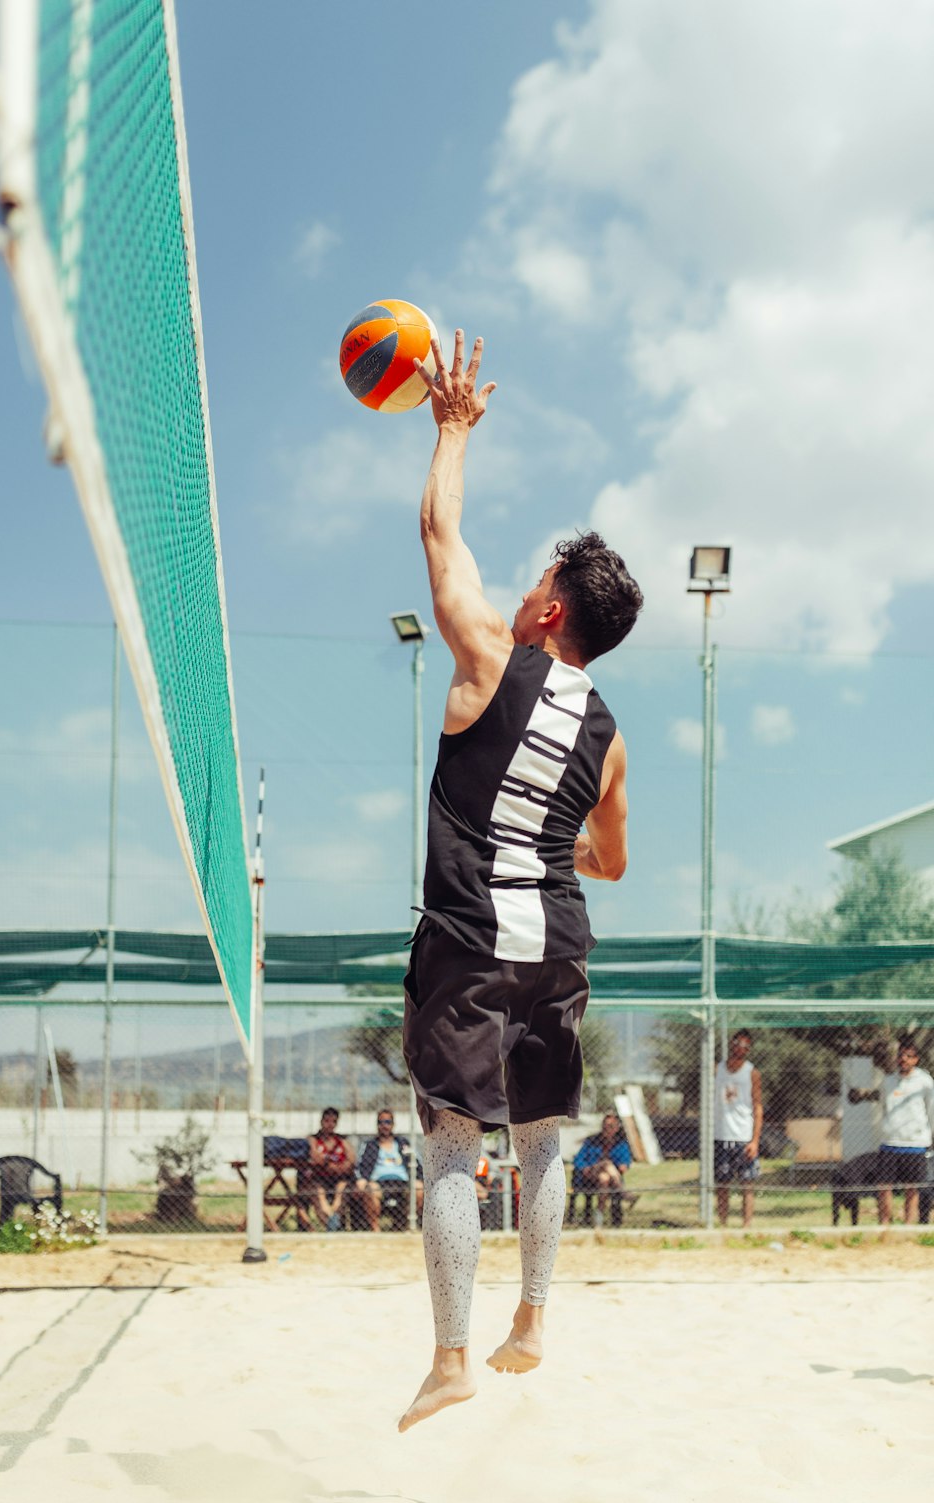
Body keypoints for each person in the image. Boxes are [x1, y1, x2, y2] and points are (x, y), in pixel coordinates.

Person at [397, 331, 643, 1432]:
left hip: (468, 936)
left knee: (454, 1136)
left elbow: (436, 530)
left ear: (549, 611)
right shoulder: (610, 735)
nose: (526, 583)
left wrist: (450, 428)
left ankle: (450, 1355)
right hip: (557, 935)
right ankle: (531, 1322)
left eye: (539, 576)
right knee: (541, 1132)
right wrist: (551, 840)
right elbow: (613, 859)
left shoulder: (492, 652)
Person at [856, 1039, 934, 1226]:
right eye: (901, 1055)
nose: (903, 1059)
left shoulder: (925, 1082)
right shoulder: (889, 1081)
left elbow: (931, 1110)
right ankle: (884, 1226)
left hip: (915, 1144)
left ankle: (908, 1227)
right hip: (890, 1143)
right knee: (884, 1187)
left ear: (916, 1060)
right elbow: (884, 1107)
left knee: (912, 1188)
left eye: (908, 1056)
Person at [713, 1030, 763, 1229]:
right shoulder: (717, 1070)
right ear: (731, 1044)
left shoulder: (751, 1073)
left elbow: (757, 1106)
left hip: (743, 1135)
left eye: (745, 1045)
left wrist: (755, 1140)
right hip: (721, 1134)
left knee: (747, 1183)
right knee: (722, 1183)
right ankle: (722, 1224)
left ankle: (746, 1226)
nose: (740, 1048)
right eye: (737, 1043)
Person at [354, 1109, 424, 1231]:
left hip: (403, 1181)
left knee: (418, 1188)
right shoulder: (370, 1145)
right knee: (370, 1189)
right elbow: (359, 1165)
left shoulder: (403, 1143)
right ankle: (376, 1229)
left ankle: (406, 1226)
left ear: (393, 1124)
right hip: (378, 1182)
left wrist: (420, 1178)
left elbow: (417, 1162)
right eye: (381, 1122)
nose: (384, 1125)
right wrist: (361, 1179)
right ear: (377, 1125)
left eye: (387, 1122)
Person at [571, 1111, 632, 1226]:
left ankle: (598, 1219)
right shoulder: (592, 1141)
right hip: (589, 1176)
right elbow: (578, 1160)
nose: (607, 1129)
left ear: (617, 1128)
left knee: (604, 1178)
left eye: (611, 1126)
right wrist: (586, 1168)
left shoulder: (621, 1143)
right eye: (605, 1126)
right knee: (606, 1164)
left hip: (607, 1180)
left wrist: (624, 1165)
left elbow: (625, 1162)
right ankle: (624, 1193)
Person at [306, 1107, 355, 1231]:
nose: (330, 1124)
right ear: (321, 1121)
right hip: (318, 1178)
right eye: (327, 1121)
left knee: (342, 1188)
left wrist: (329, 1165)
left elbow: (351, 1161)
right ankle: (331, 1222)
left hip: (338, 1178)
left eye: (333, 1121)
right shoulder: (313, 1139)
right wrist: (336, 1165)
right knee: (318, 1192)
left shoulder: (342, 1141)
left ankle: (333, 1216)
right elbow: (315, 1158)